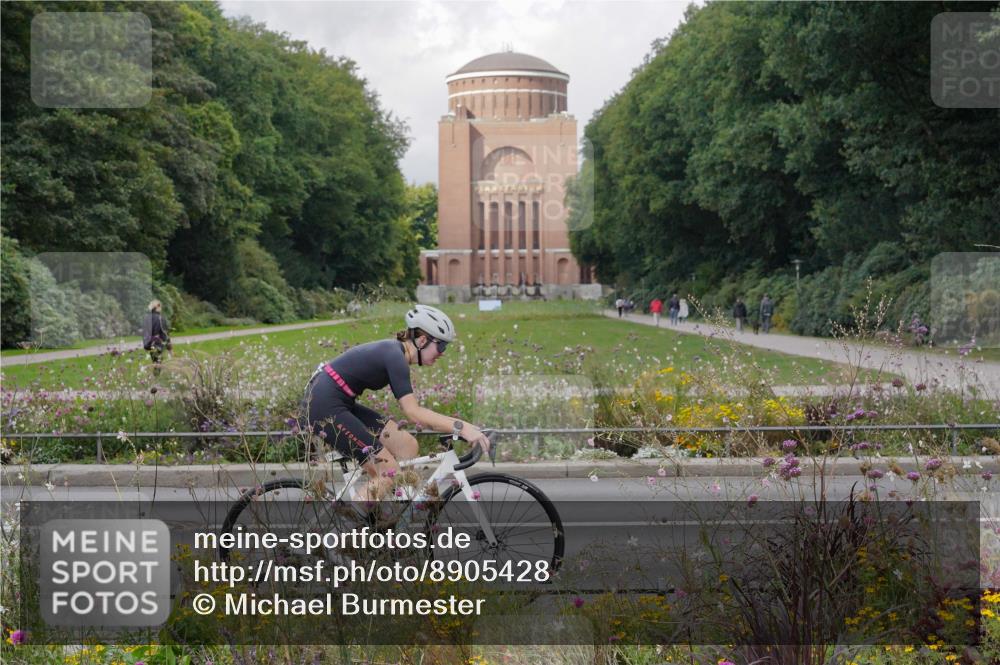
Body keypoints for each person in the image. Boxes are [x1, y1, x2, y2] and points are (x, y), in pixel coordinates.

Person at [303, 305, 490, 501]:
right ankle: (354, 529)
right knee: (388, 472)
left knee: (406, 444)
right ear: (422, 340)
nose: (443, 352)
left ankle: (398, 516)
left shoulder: (396, 352)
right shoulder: (395, 356)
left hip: (337, 401)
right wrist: (461, 427)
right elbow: (413, 412)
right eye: (441, 346)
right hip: (323, 407)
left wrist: (464, 427)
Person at [142, 300, 172, 376]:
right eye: (160, 306)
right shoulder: (160, 318)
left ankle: (155, 378)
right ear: (157, 307)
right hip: (159, 343)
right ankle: (156, 380)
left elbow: (145, 332)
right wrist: (169, 345)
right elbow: (164, 333)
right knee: (158, 363)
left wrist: (146, 345)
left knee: (155, 361)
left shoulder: (146, 318)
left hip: (149, 343)